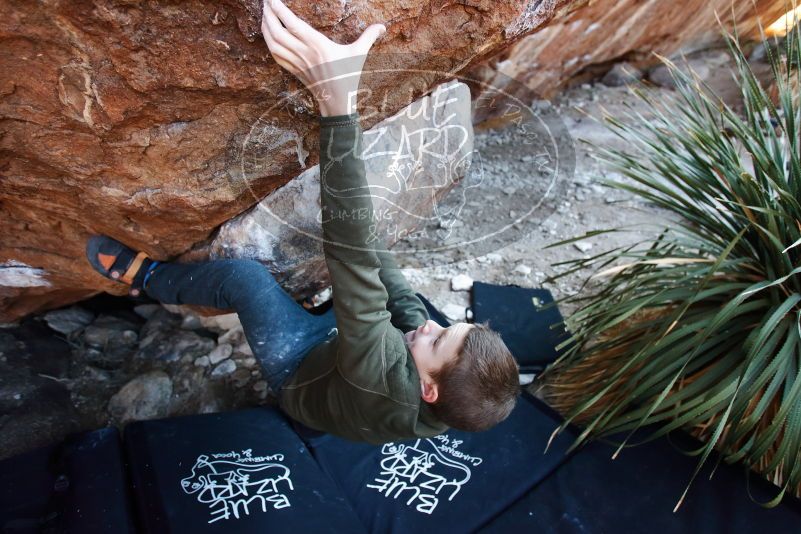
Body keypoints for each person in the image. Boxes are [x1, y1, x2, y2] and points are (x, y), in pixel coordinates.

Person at [85, 0, 520, 444]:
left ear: (427, 390)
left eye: (437, 341)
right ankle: (333, 331)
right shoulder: (442, 390)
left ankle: (150, 277)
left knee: (246, 280)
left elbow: (348, 255)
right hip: (340, 359)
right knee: (365, 272)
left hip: (298, 365)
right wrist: (369, 234)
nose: (431, 326)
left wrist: (337, 103)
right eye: (446, 326)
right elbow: (400, 298)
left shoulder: (381, 377)